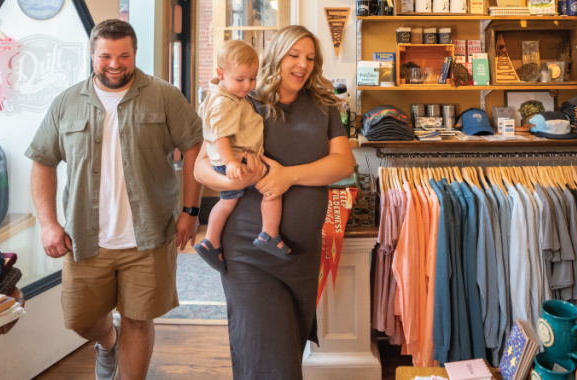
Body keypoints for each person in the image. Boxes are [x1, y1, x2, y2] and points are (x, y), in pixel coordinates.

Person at [26, 19, 204, 380]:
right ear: (92, 54)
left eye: (124, 55)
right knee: (82, 320)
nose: (115, 63)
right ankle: (108, 342)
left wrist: (191, 211)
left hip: (149, 236)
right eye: (105, 55)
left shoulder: (164, 95)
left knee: (139, 319)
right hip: (85, 238)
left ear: (135, 53)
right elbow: (42, 161)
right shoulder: (67, 103)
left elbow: (193, 147)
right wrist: (48, 224)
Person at [195, 25, 355, 380]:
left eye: (310, 58)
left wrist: (287, 175)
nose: (302, 65)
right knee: (270, 364)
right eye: (293, 56)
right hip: (249, 253)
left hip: (299, 256)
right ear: (275, 57)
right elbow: (201, 167)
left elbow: (343, 164)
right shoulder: (245, 99)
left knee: (285, 356)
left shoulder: (324, 105)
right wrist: (236, 178)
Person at [194, 39, 289, 274]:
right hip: (235, 160)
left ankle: (210, 241)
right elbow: (220, 137)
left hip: (235, 159)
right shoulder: (224, 102)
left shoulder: (230, 95)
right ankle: (269, 233)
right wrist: (231, 163)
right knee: (272, 188)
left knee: (227, 202)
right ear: (221, 73)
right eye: (240, 79)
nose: (248, 85)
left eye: (253, 78)